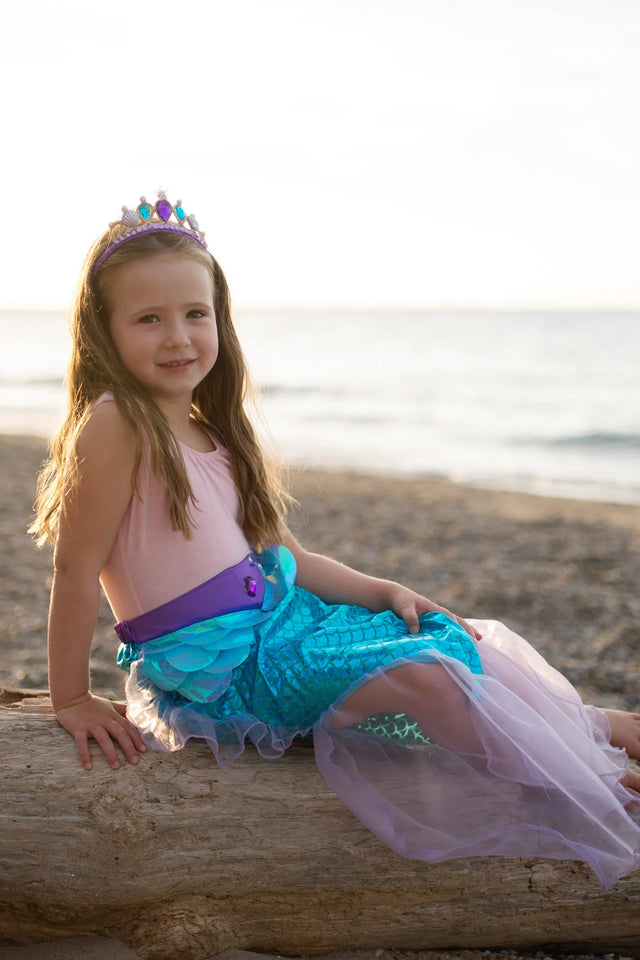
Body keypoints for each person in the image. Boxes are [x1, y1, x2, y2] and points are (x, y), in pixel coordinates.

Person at [31, 191, 640, 890]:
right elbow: (75, 571)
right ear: (104, 332)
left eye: (196, 314)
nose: (179, 337)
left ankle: (581, 724)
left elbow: (288, 557)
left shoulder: (215, 431)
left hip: (283, 624)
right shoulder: (115, 424)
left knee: (442, 634)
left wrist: (386, 591)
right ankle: (571, 775)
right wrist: (71, 699)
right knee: (422, 675)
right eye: (149, 319)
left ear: (219, 319)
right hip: (223, 671)